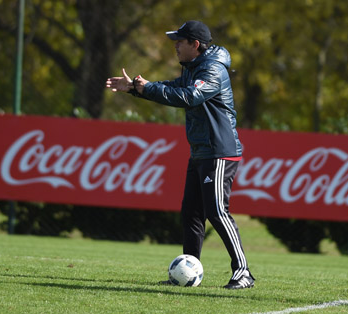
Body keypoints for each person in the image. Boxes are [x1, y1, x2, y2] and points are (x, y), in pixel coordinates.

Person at [106, 20, 255, 289]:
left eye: (180, 41)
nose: (175, 45)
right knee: (191, 214)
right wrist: (136, 88)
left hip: (220, 151)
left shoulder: (212, 69)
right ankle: (189, 273)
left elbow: (188, 97)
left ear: (194, 45)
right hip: (201, 151)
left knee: (218, 213)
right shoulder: (193, 69)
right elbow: (174, 88)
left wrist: (146, 88)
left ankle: (243, 272)